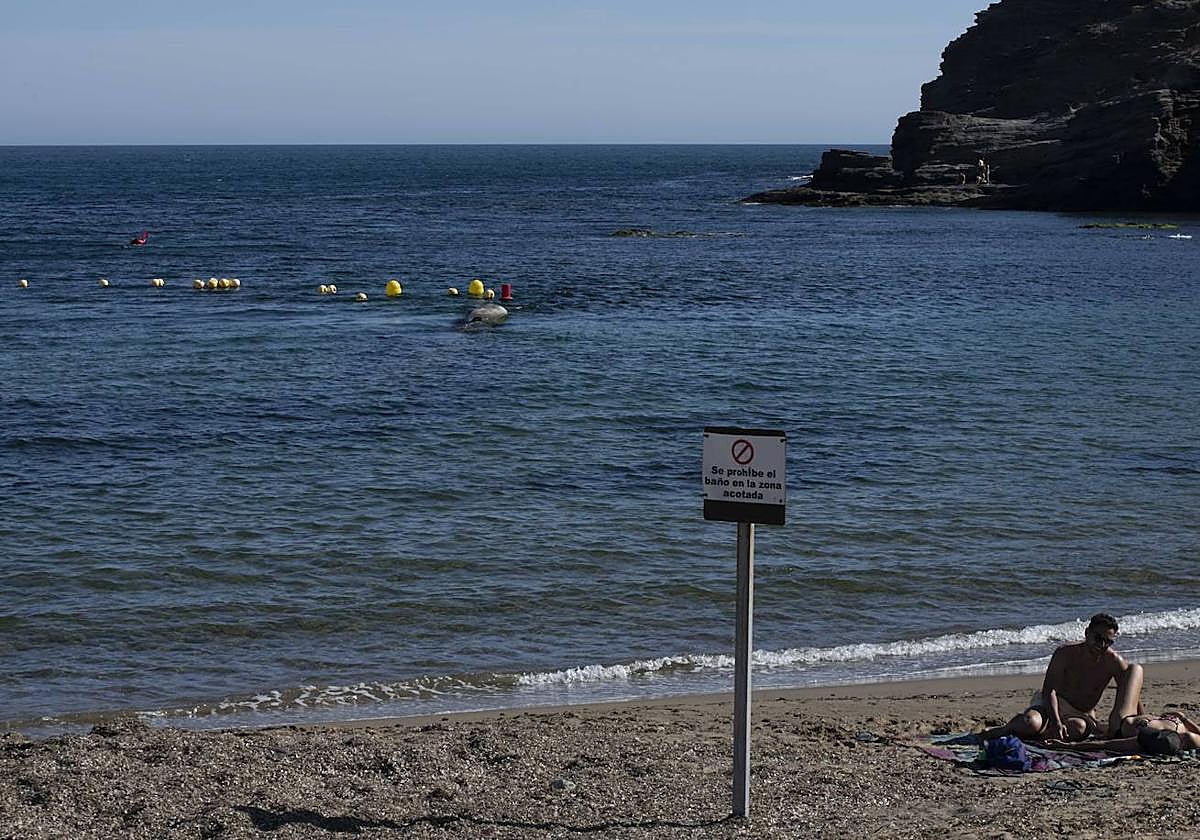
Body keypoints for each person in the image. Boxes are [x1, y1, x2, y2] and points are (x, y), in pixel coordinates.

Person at [983, 613, 1144, 742]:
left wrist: (1140, 718)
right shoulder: (1065, 653)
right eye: (1098, 638)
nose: (1101, 645)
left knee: (1079, 729)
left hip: (1081, 713)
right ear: (1087, 633)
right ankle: (1005, 729)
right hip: (1052, 703)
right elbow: (1049, 691)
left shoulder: (1113, 661)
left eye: (1108, 642)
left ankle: (1040, 736)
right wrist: (1056, 721)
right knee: (1031, 723)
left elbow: (1130, 693)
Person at [1049, 710, 1200, 755]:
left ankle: (1085, 716)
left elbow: (1104, 744)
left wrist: (1068, 746)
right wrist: (1184, 718)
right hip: (1136, 718)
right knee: (1098, 725)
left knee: (1135, 670)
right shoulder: (1187, 736)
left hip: (1123, 723)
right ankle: (1088, 717)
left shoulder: (1140, 743)